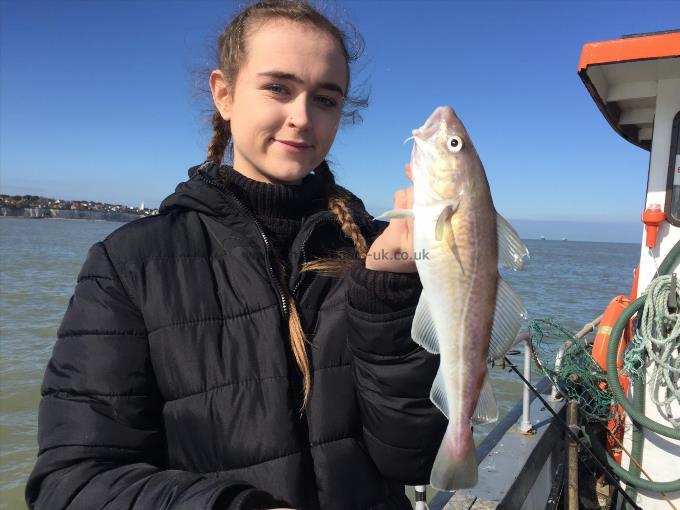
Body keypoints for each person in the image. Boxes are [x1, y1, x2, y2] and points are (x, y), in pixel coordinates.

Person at [25, 1, 447, 508]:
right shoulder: (129, 262)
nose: (302, 118)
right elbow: (71, 482)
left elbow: (415, 459)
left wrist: (389, 294)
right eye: (278, 88)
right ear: (223, 94)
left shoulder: (380, 252)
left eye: (326, 99)